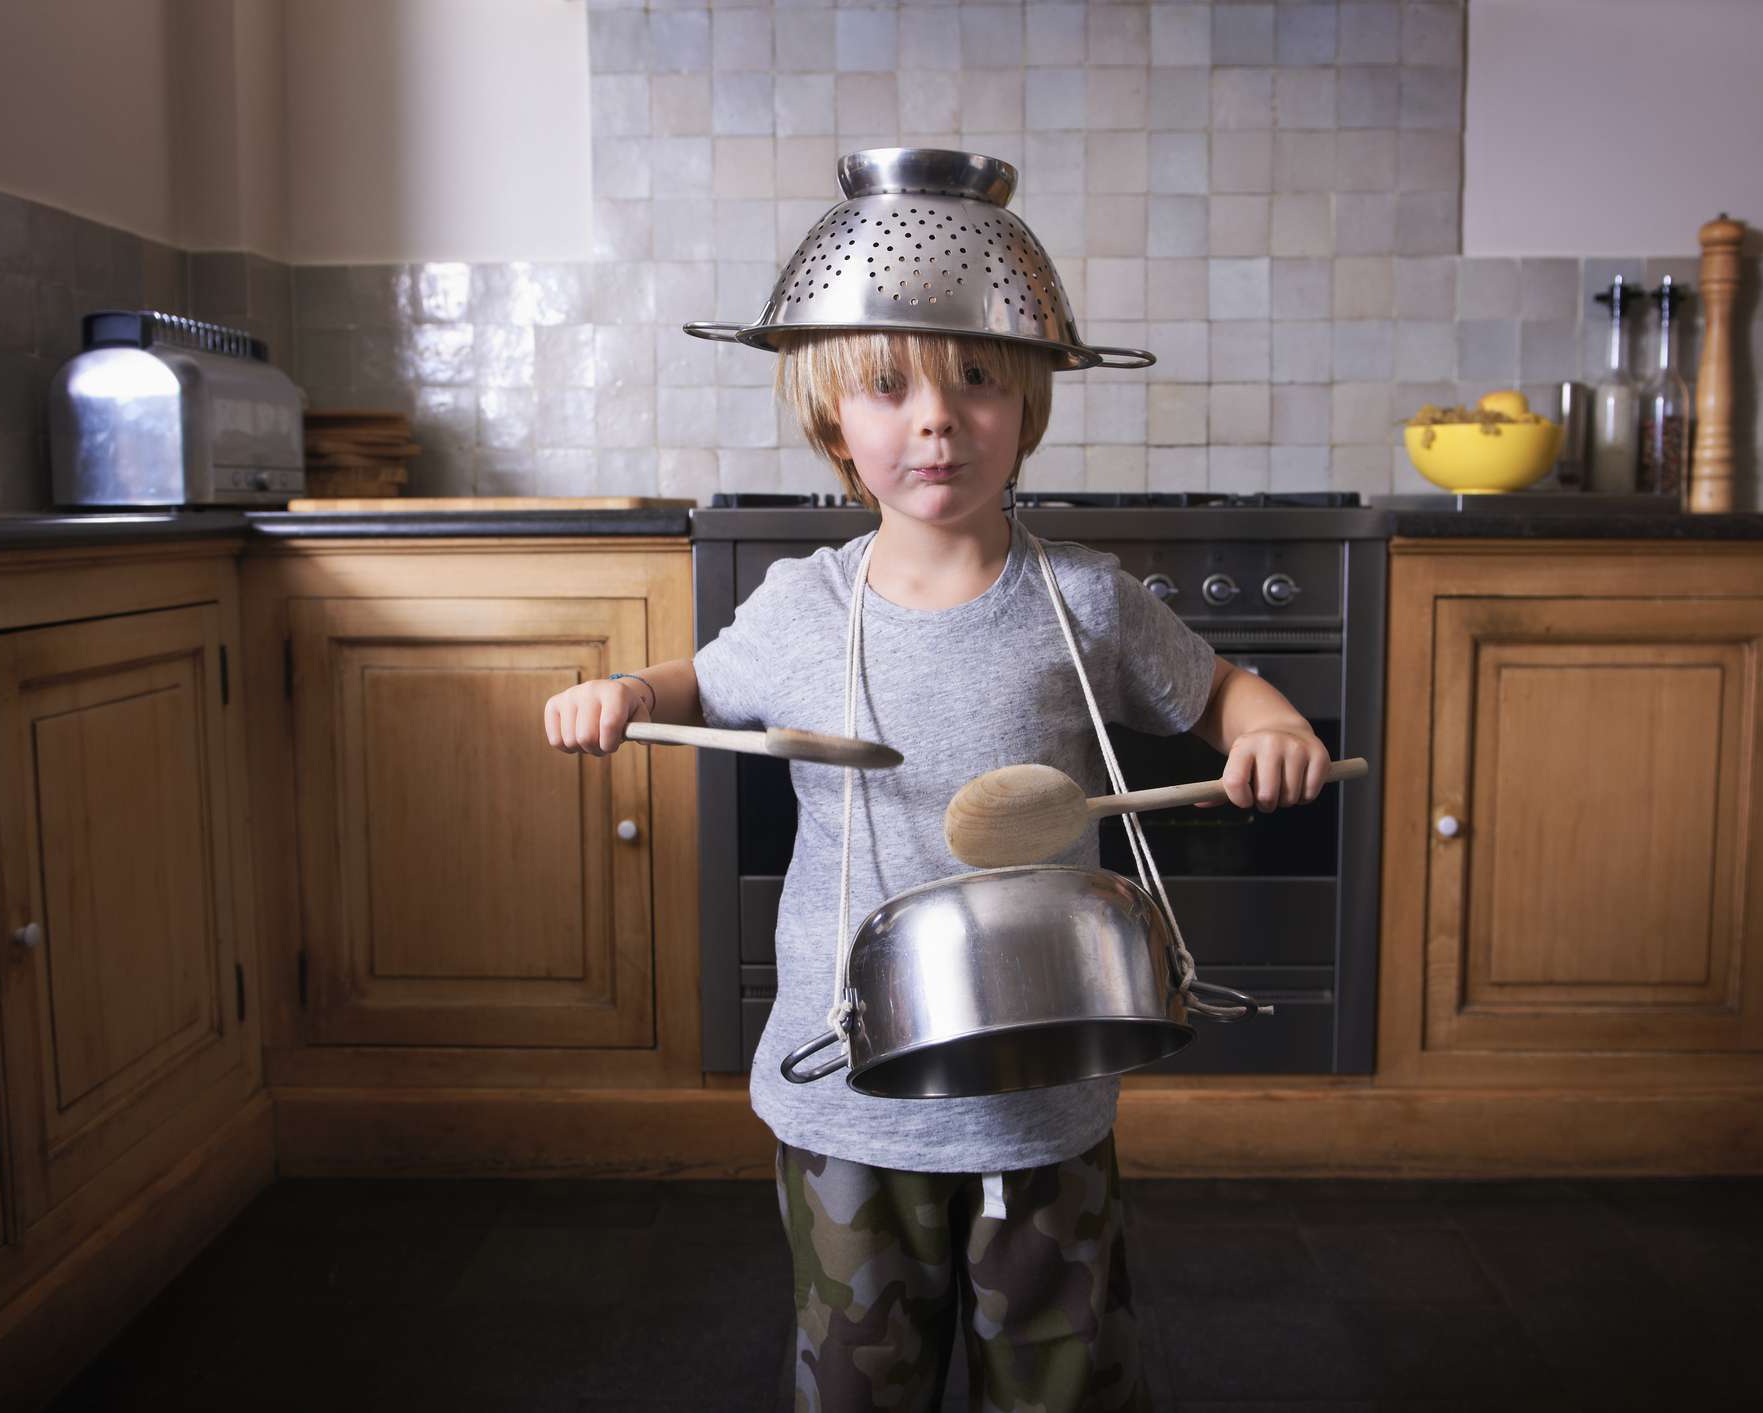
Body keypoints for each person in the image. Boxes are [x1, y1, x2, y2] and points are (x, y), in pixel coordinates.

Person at [544, 146, 1332, 1413]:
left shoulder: (1085, 597)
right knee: (859, 1383)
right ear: (829, 421)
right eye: (888, 385)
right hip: (845, 1095)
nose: (935, 415)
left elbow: (1223, 690)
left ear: (1027, 407)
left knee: (1062, 1383)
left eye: (976, 379)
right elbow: (697, 685)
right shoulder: (801, 608)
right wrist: (626, 697)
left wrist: (1269, 721)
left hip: (1043, 1089)